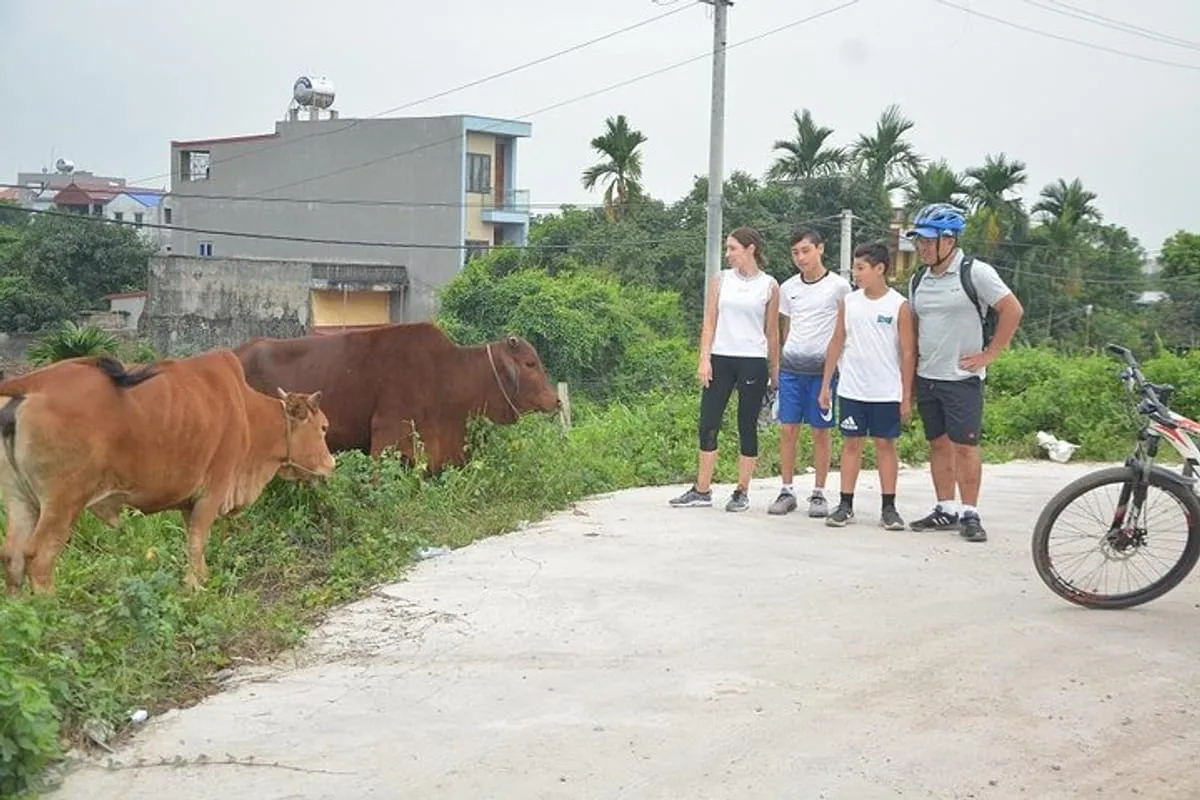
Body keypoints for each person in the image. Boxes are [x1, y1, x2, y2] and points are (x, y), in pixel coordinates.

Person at [904, 203, 1024, 543]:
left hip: (962, 378)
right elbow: (915, 326)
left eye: (929, 241)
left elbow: (1012, 309)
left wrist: (990, 354)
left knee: (965, 446)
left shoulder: (976, 273)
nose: (923, 247)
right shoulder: (918, 280)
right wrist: (910, 381)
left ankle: (970, 512)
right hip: (928, 375)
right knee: (938, 444)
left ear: (949, 240)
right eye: (919, 241)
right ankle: (945, 508)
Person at [670, 226, 780, 512]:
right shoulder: (721, 280)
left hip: (752, 360)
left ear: (750, 249)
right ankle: (702, 489)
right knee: (708, 422)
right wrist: (704, 359)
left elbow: (772, 332)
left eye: (733, 248)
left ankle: (742, 491)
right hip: (721, 357)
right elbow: (709, 322)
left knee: (746, 425)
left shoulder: (769, 285)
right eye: (727, 248)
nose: (728, 254)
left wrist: (775, 372)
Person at [818, 241, 914, 530]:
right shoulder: (849, 302)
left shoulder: (899, 305)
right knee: (851, 444)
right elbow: (836, 342)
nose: (856, 274)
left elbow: (908, 353)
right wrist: (826, 384)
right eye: (854, 269)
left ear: (879, 268)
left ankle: (889, 508)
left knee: (885, 445)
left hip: (886, 390)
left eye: (861, 268)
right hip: (852, 388)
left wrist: (906, 395)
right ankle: (845, 504)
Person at [767, 227, 852, 518]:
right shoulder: (788, 287)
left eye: (806, 250)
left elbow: (842, 332)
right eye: (795, 253)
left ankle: (819, 492)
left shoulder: (839, 287)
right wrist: (778, 368)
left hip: (822, 372)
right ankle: (786, 490)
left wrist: (833, 372)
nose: (801, 257)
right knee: (787, 429)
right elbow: (785, 329)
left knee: (820, 431)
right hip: (791, 369)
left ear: (820, 249)